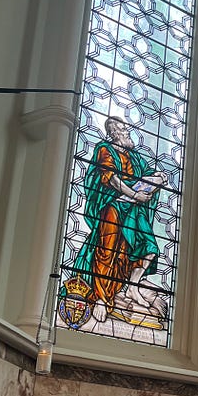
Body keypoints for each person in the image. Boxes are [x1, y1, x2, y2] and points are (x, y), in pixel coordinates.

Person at [72, 117, 168, 323]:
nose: (127, 132)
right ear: (114, 132)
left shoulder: (133, 155)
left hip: (133, 209)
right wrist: (134, 194)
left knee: (148, 247)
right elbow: (111, 178)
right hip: (113, 206)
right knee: (108, 251)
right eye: (124, 129)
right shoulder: (105, 149)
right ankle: (100, 298)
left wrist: (157, 176)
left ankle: (133, 287)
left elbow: (145, 173)